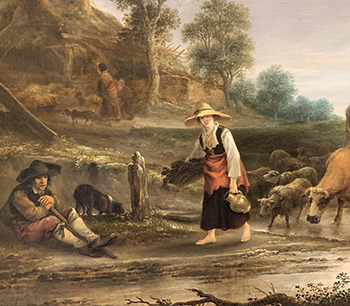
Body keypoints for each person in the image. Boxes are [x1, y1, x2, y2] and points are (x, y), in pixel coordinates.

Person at [0, 160, 117, 257]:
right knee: (53, 220)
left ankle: (94, 239)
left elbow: (61, 208)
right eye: (38, 178)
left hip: (41, 227)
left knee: (70, 211)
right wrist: (46, 207)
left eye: (45, 177)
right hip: (23, 231)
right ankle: (82, 246)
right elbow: (32, 214)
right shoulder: (19, 194)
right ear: (30, 180)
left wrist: (53, 200)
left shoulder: (45, 192)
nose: (43, 181)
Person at [184, 102, 251, 245]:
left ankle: (245, 227)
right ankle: (210, 235)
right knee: (211, 199)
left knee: (231, 198)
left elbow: (233, 155)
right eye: (202, 118)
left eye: (207, 116)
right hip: (210, 171)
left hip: (226, 168)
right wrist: (185, 164)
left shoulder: (223, 132)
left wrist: (233, 181)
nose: (205, 119)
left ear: (213, 116)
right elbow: (196, 153)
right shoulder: (202, 136)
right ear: (199, 120)